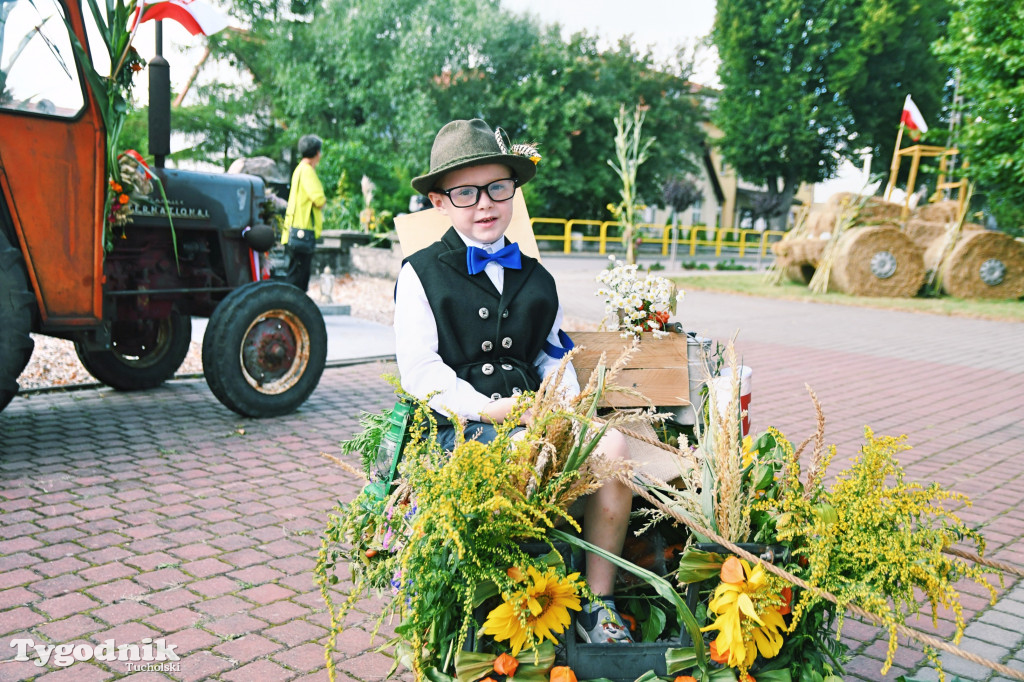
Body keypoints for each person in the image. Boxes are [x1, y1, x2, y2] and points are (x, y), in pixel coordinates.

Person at [394, 118, 634, 645]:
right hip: (462, 427)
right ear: (439, 202)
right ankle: (514, 602)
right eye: (466, 192)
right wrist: (493, 410)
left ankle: (598, 602)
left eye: (497, 188)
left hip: (538, 416)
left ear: (513, 192)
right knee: (530, 453)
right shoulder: (420, 273)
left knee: (614, 445)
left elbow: (553, 357)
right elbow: (421, 370)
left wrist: (565, 408)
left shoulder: (537, 277)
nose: (485, 203)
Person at [282, 134, 326, 292]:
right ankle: (291, 312)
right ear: (317, 153)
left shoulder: (299, 169)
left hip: (293, 230)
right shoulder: (307, 171)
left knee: (295, 275)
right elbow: (319, 199)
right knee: (298, 280)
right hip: (303, 231)